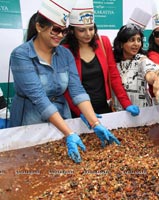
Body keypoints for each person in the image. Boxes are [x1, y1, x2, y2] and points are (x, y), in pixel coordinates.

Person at [9, 0, 120, 163]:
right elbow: (39, 98)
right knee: (33, 163)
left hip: (62, 116)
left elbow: (77, 90)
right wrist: (69, 133)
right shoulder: (21, 55)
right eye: (56, 30)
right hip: (31, 118)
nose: (60, 35)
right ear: (39, 27)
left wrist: (95, 123)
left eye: (64, 31)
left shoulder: (65, 54)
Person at [62, 0, 139, 117]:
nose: (88, 34)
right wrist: (81, 112)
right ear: (72, 31)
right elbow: (66, 87)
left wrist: (126, 103)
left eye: (91, 29)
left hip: (104, 107)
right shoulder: (64, 50)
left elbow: (113, 76)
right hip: (78, 111)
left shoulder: (103, 43)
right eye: (82, 30)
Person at [113, 8, 159, 110]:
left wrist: (158, 79)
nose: (136, 44)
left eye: (139, 40)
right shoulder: (113, 62)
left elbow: (150, 72)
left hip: (142, 113)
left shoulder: (140, 59)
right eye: (132, 40)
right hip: (118, 113)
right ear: (122, 43)